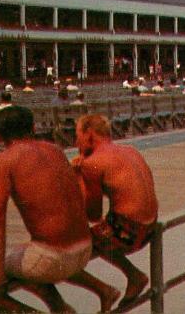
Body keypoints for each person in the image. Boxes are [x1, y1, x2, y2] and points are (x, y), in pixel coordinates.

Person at [0, 106, 92, 313]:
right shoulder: (55, 149)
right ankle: (61, 309)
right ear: (33, 127)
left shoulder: (4, 161)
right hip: (84, 250)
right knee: (24, 254)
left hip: (54, 259)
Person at [66, 114, 159, 310]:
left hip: (129, 234)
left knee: (65, 252)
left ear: (89, 135)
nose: (76, 142)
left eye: (78, 136)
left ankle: (115, 285)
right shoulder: (130, 150)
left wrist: (78, 177)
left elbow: (92, 213)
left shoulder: (93, 163)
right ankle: (133, 276)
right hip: (151, 228)